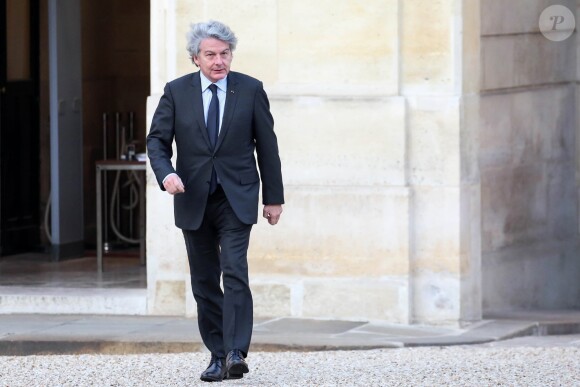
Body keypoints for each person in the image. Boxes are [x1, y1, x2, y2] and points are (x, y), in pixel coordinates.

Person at [146, 20, 284, 382]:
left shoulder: (251, 90)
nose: (219, 61)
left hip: (237, 197)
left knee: (235, 271)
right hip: (193, 197)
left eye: (225, 54)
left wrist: (274, 198)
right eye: (211, 54)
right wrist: (167, 174)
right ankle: (217, 354)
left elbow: (268, 147)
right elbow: (156, 142)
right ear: (196, 58)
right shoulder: (176, 92)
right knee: (204, 281)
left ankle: (237, 351)